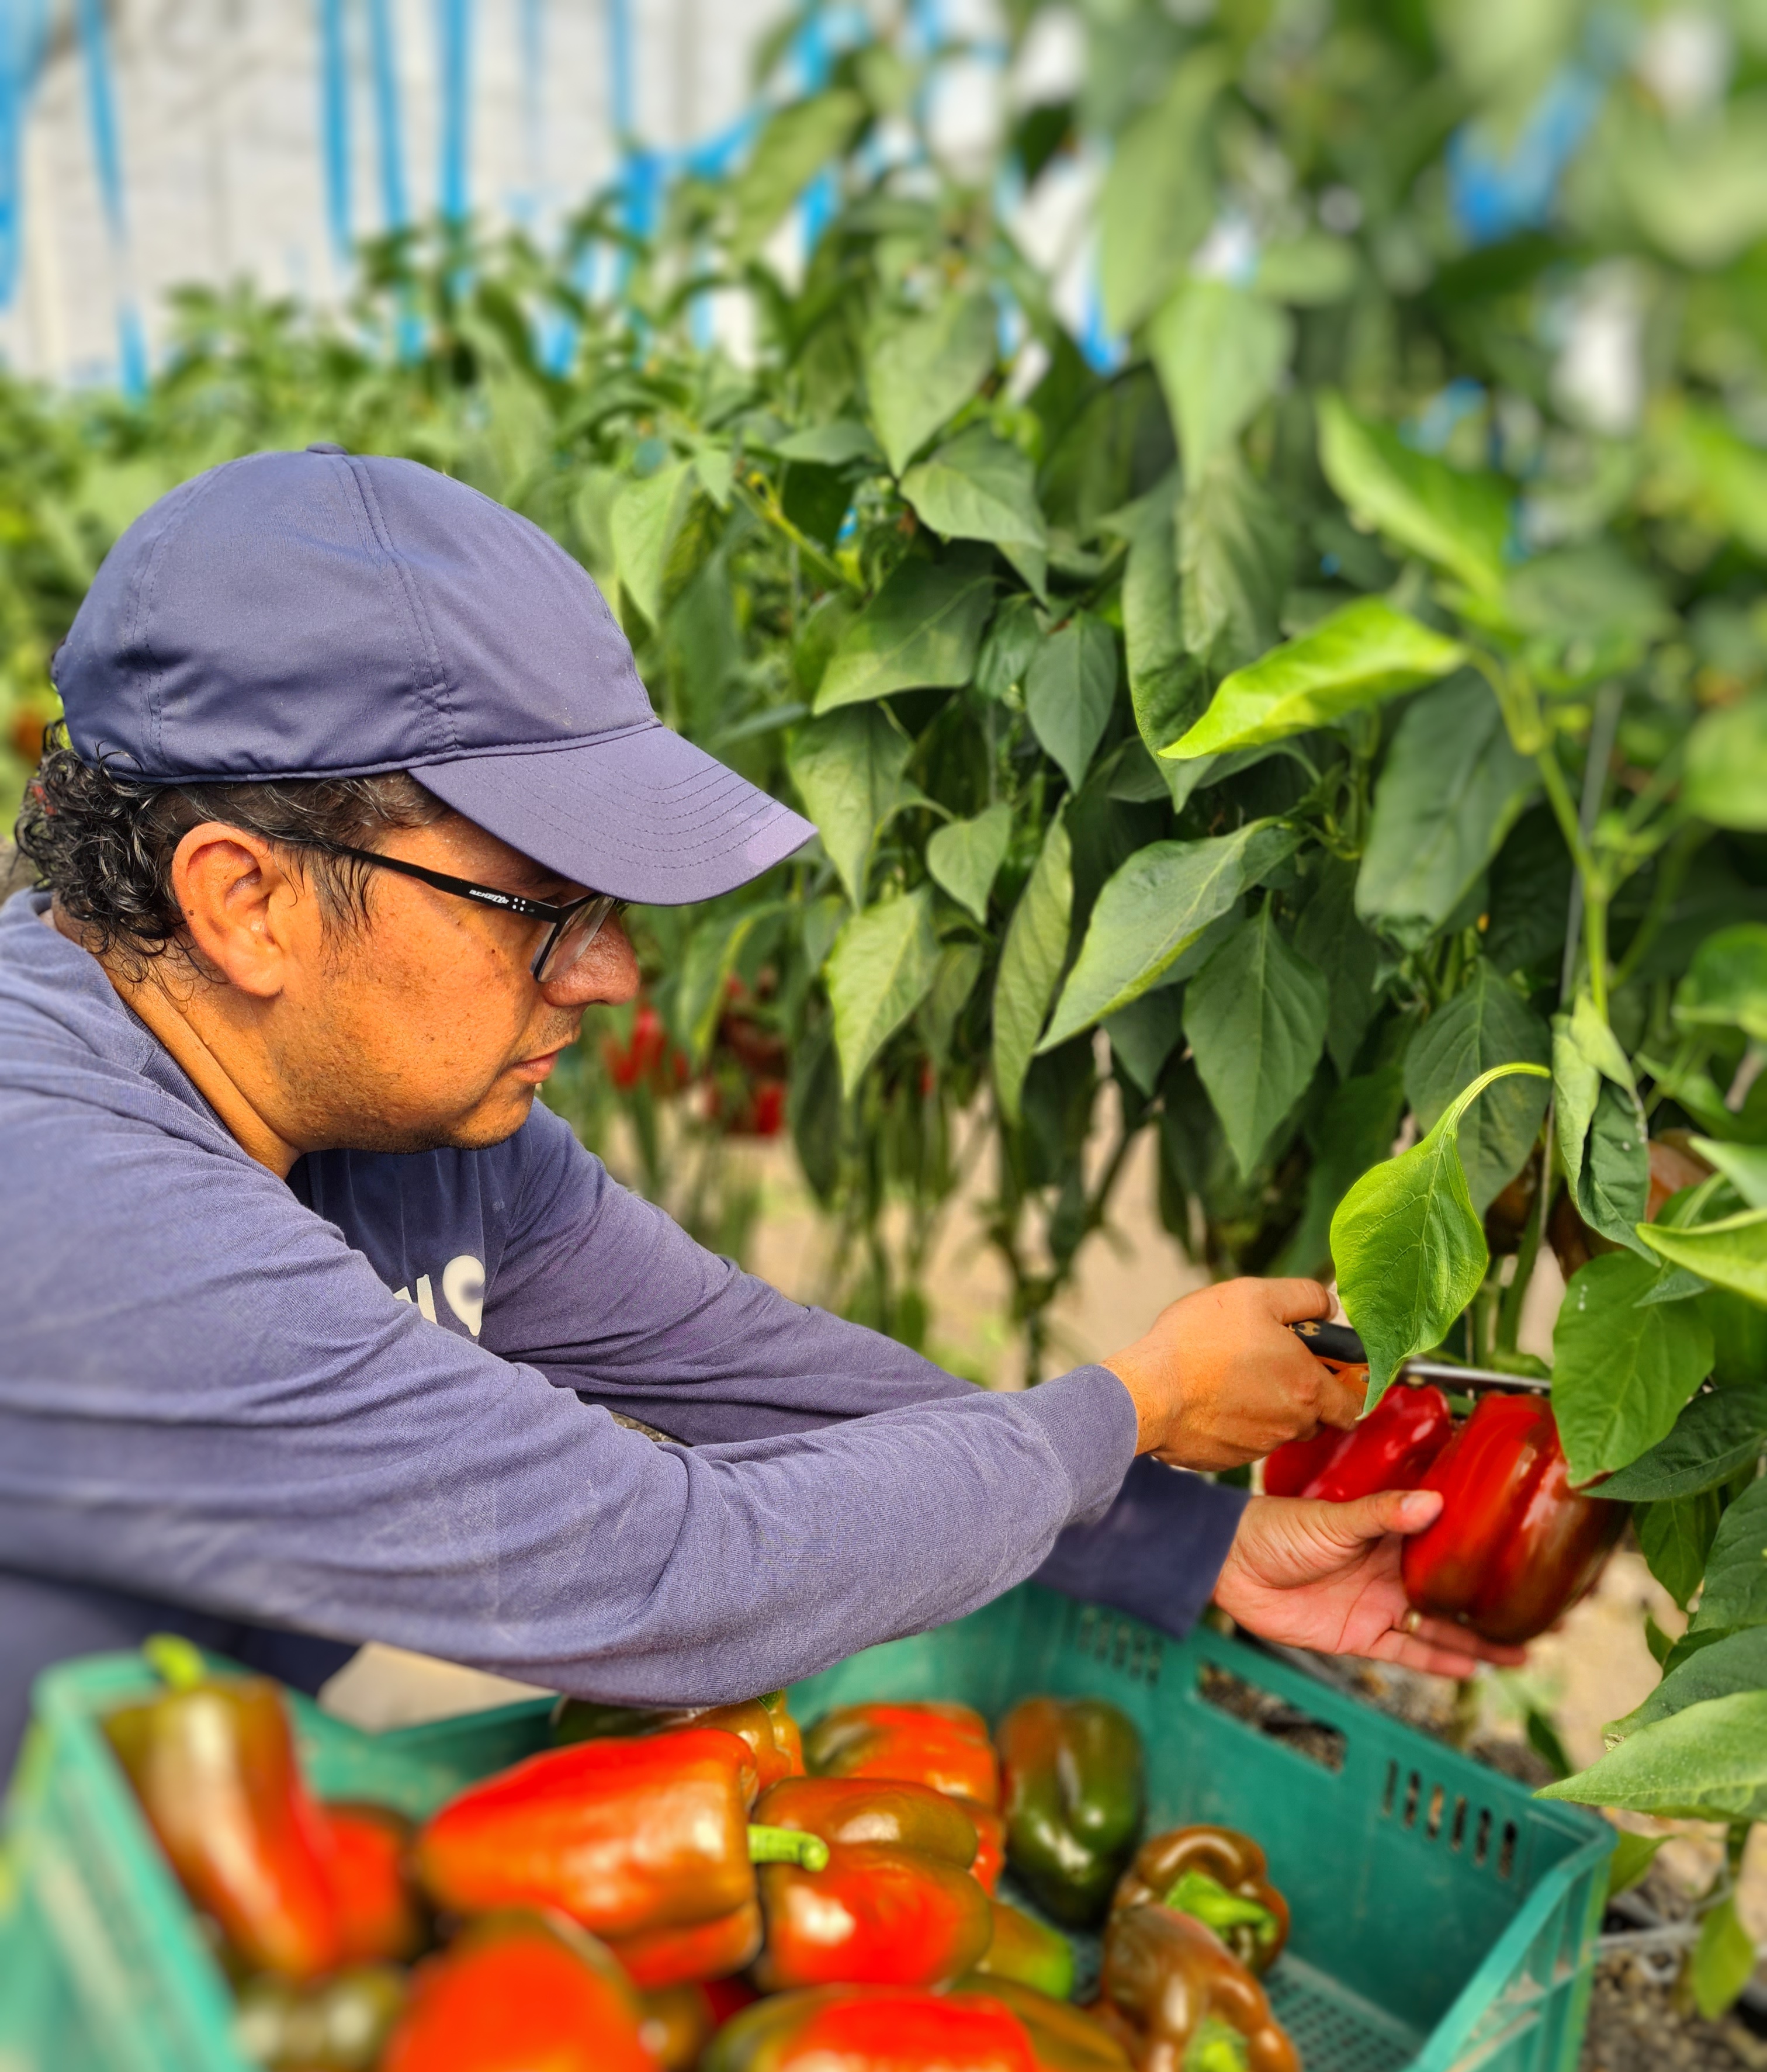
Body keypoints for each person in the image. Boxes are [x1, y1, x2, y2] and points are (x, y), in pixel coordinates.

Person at [0, 445, 1516, 1777]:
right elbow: (675, 1574)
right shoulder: (69, 1203)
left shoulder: (422, 1130)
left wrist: (1189, 1537)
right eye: (536, 901)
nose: (609, 974)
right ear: (245, 900)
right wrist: (1130, 1406)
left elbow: (745, 1370)